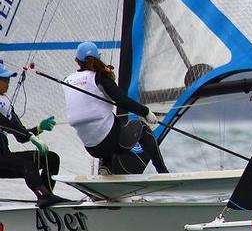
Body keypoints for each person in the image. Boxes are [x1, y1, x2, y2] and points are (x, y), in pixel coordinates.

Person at [63, 42, 170, 175]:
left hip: (92, 148)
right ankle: (163, 171)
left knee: (106, 122)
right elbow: (121, 100)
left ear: (76, 61)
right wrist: (146, 112)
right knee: (142, 128)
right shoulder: (99, 77)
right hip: (110, 142)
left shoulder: (67, 80)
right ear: (98, 57)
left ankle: (106, 166)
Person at [0, 60, 70, 206]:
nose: (8, 82)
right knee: (27, 165)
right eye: (4, 79)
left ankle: (48, 196)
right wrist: (31, 137)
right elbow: (4, 123)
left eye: (8, 79)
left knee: (51, 158)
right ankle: (43, 196)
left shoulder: (5, 104)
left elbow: (20, 135)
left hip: (3, 158)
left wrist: (39, 128)